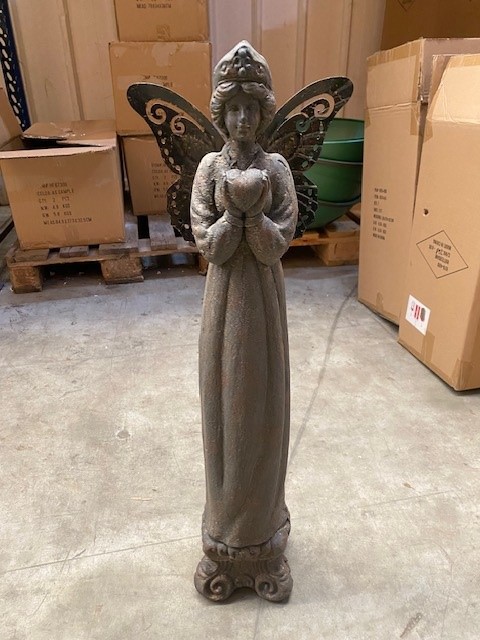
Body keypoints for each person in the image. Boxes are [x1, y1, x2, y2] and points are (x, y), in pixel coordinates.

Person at [191, 41, 298, 601]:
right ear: (222, 113)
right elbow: (208, 245)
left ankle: (262, 528)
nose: (241, 119)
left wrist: (254, 214)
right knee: (225, 408)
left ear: (263, 112)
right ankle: (225, 531)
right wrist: (235, 211)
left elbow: (277, 244)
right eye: (232, 109)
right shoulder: (209, 169)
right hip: (224, 302)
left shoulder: (276, 169)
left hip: (262, 302)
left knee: (262, 407)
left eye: (250, 108)